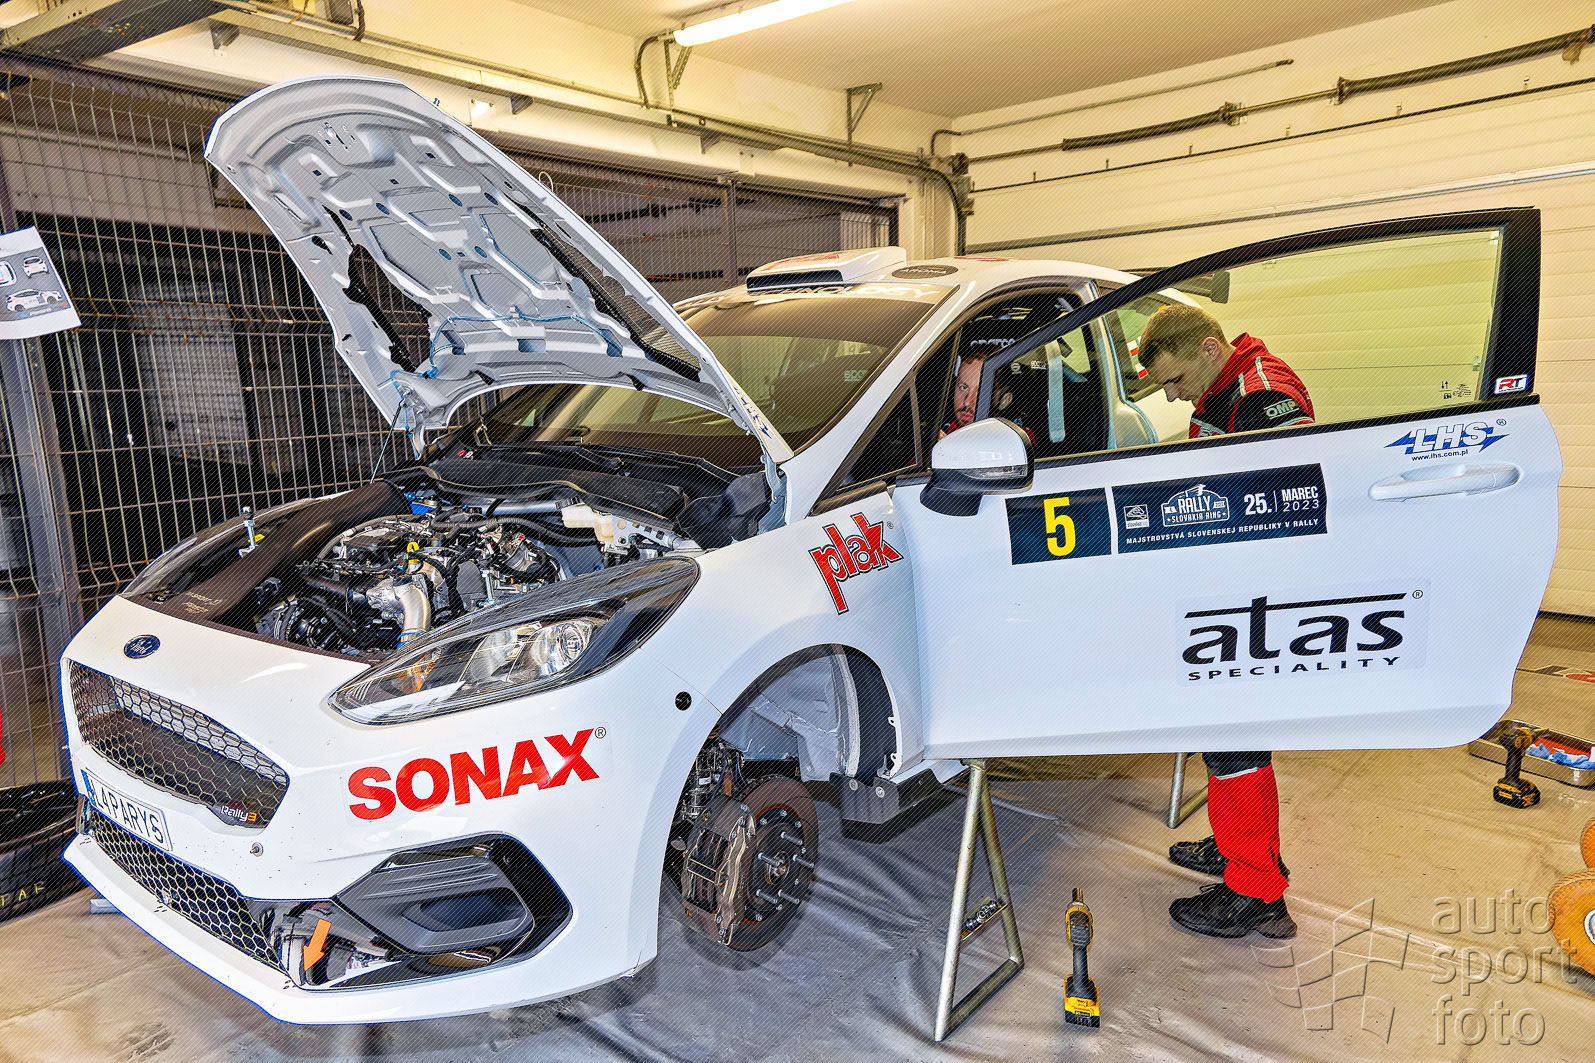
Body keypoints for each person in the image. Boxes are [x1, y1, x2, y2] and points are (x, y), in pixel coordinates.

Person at [1136, 303, 1313, 940]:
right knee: (1224, 735)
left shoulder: (1261, 396)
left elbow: (1282, 500)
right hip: (1227, 584)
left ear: (1210, 350)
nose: (1173, 396)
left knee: (1236, 739)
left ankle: (1256, 891)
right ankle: (1239, 845)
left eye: (1175, 381)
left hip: (1251, 593)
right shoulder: (1223, 390)